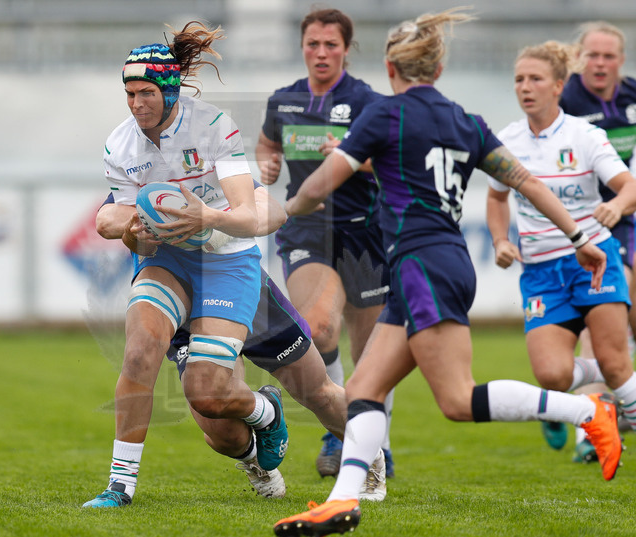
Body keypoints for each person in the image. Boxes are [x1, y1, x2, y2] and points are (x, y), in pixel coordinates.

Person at [273, 10, 623, 537]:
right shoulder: (466, 120)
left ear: (392, 68)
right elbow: (527, 183)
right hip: (437, 261)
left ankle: (585, 412)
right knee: (365, 387)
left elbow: (320, 185)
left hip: (422, 264)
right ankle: (341, 502)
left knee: (457, 400)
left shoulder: (384, 115)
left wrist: (285, 207)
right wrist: (579, 238)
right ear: (436, 71)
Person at [83, 22, 289, 508]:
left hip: (224, 258)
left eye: (147, 92)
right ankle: (120, 486)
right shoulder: (120, 144)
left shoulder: (214, 126)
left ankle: (265, 411)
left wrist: (206, 216)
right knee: (138, 353)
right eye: (130, 93)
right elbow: (138, 237)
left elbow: (245, 212)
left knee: (209, 395)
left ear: (170, 90)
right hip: (170, 262)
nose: (137, 104)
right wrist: (136, 230)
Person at [93, 186, 388, 503]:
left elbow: (267, 208)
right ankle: (257, 453)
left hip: (239, 285)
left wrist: (216, 219)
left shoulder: (212, 157)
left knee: (316, 389)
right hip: (181, 301)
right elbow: (107, 217)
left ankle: (371, 457)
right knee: (218, 426)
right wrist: (133, 226)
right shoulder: (137, 169)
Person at [255, 7, 394, 479]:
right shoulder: (284, 101)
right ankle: (339, 433)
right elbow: (266, 143)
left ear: (347, 49)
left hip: (365, 231)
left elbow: (393, 163)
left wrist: (355, 159)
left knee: (371, 350)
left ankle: (379, 441)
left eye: (330, 44)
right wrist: (268, 163)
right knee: (318, 328)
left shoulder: (369, 102)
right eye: (313, 44)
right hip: (308, 229)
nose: (321, 52)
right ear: (302, 47)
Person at [486, 39, 636, 458]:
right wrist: (500, 240)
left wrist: (615, 204)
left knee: (614, 362)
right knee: (551, 375)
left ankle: (614, 411)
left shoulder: (584, 135)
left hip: (594, 260)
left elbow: (629, 187)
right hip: (539, 271)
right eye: (519, 79)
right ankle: (581, 404)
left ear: (559, 85)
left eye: (535, 78)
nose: (525, 87)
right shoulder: (506, 141)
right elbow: (497, 198)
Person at [558, 21, 636, 461]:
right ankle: (590, 431)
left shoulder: (632, 97)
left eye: (609, 56)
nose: (600, 63)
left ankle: (603, 409)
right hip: (582, 224)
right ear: (578, 57)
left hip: (625, 215)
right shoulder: (566, 100)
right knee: (604, 320)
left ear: (620, 61)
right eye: (592, 55)